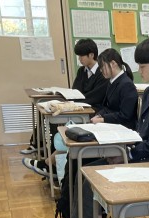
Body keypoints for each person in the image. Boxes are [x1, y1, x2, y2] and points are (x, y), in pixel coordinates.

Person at [56, 39, 149, 218]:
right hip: (143, 154)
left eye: (142, 66)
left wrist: (128, 154)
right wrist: (125, 149)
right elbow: (141, 132)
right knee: (86, 171)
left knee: (93, 176)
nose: (139, 71)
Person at [22, 38, 109, 176]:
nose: (79, 59)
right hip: (79, 106)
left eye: (81, 56)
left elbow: (95, 97)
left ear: (91, 55)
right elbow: (75, 90)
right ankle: (49, 159)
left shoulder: (101, 73)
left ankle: (50, 165)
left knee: (63, 129)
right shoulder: (82, 71)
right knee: (52, 119)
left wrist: (77, 99)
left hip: (93, 111)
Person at [89, 48, 138, 130]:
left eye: (102, 67)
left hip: (124, 128)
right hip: (114, 124)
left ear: (113, 64)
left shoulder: (127, 85)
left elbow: (125, 115)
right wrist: (99, 115)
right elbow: (107, 107)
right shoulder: (112, 81)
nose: (100, 70)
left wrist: (102, 119)